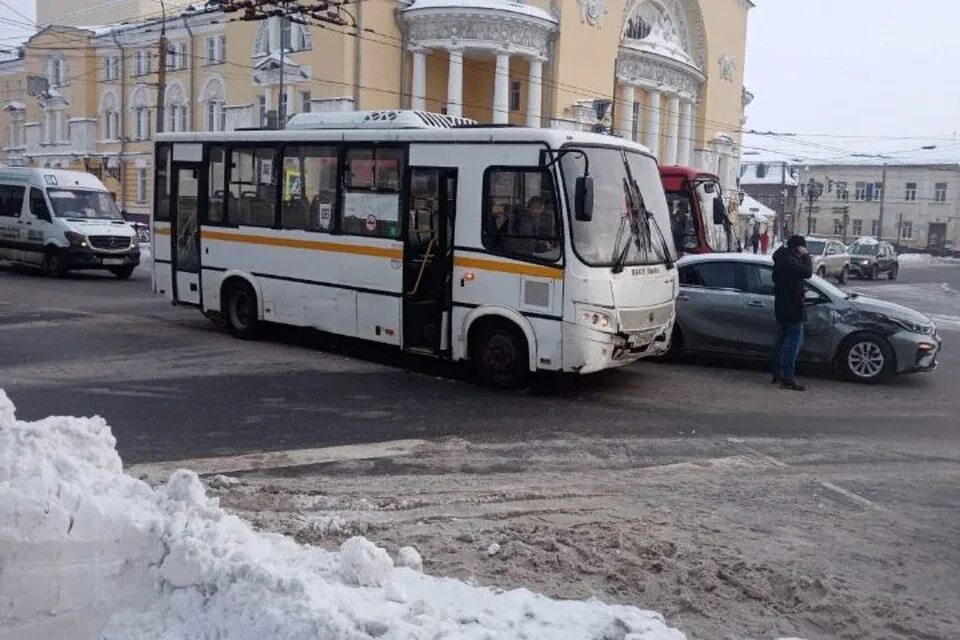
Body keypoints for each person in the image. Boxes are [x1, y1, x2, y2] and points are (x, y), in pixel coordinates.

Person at [772, 235, 814, 390]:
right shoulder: (790, 261)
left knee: (781, 340)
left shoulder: (781, 258)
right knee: (794, 342)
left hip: (782, 306)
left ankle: (777, 373)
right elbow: (807, 272)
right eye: (803, 247)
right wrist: (806, 256)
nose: (804, 250)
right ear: (798, 247)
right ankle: (788, 377)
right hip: (793, 307)